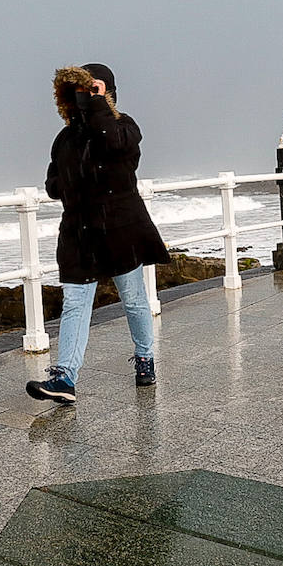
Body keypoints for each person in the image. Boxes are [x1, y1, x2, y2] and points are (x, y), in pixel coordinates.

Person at [25, 63, 171, 405]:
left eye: (96, 89)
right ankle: (65, 378)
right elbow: (52, 184)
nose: (87, 97)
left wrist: (97, 106)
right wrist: (69, 185)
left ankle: (145, 357)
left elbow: (118, 147)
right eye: (83, 91)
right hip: (79, 234)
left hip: (121, 229)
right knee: (75, 304)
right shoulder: (64, 138)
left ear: (109, 92)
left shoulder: (123, 127)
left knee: (133, 300)